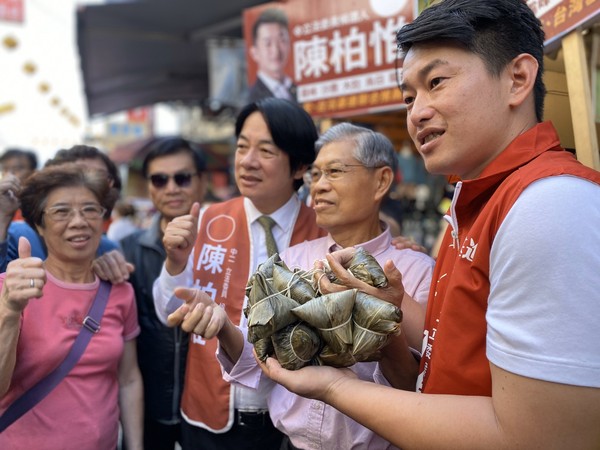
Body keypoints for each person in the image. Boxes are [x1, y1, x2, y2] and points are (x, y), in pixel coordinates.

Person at [253, 1, 600, 448]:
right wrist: (386, 304)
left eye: (436, 83)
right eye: (409, 97)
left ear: (517, 78)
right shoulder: (477, 198)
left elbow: (537, 436)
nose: (416, 113)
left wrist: (335, 387)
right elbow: (455, 344)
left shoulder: (548, 205)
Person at [165, 123, 436, 449]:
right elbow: (258, 360)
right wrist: (223, 326)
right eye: (316, 175)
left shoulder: (414, 271)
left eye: (334, 171)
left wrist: (382, 319)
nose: (319, 187)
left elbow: (420, 387)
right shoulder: (291, 261)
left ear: (381, 181)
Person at [152, 98, 326, 449]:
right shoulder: (209, 219)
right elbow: (167, 311)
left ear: (299, 167)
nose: (247, 161)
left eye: (266, 150)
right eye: (242, 146)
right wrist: (175, 262)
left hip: (292, 422)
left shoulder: (324, 230)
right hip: (209, 416)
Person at [0, 163, 143, 449]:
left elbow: (128, 379)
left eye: (90, 209)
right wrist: (10, 311)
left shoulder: (121, 291)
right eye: (61, 211)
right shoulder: (10, 287)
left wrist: (135, 445)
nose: (79, 221)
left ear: (104, 219)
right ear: (38, 224)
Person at [119, 137, 208, 450]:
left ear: (202, 180)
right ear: (149, 186)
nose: (172, 188)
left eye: (182, 178)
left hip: (208, 410)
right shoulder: (126, 251)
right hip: (148, 407)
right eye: (160, 179)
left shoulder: (226, 245)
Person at [0, 145, 126, 274]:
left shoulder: (110, 249)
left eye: (101, 177)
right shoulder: (18, 236)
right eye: (61, 211)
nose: (89, 184)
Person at [247, 8, 297, 103]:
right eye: (268, 43)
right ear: (254, 52)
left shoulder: (297, 89)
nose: (275, 50)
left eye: (281, 40)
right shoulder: (251, 100)